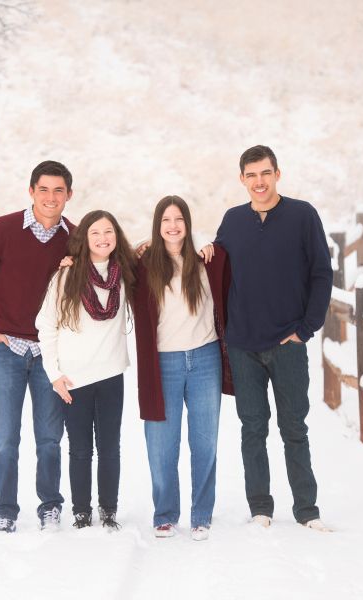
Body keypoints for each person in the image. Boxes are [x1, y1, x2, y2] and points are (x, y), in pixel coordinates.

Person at [213, 145, 334, 531]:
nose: (259, 182)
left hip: (288, 343)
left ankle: (307, 511)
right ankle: (261, 509)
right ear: (242, 179)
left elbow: (321, 273)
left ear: (277, 174)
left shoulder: (302, 215)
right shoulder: (232, 220)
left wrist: (305, 329)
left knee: (294, 429)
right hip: (243, 345)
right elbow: (216, 268)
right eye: (251, 175)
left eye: (265, 173)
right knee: (253, 429)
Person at [0, 160, 75, 533]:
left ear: (69, 195)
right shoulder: (2, 228)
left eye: (58, 190)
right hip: (7, 350)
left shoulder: (74, 238)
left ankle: (50, 505)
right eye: (43, 189)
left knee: (49, 438)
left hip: (50, 354)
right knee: (5, 439)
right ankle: (6, 510)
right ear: (31, 191)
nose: (51, 197)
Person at [131, 196, 234, 541]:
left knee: (205, 442)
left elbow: (233, 254)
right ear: (157, 226)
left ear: (188, 224)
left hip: (205, 359)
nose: (173, 226)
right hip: (163, 362)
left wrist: (208, 245)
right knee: (161, 444)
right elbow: (108, 261)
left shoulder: (206, 261)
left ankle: (202, 514)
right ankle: (165, 514)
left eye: (179, 219)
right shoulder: (144, 266)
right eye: (165, 220)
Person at [35, 210, 137, 531]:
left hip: (110, 374)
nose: (103, 238)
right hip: (74, 378)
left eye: (109, 231)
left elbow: (159, 252)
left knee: (110, 447)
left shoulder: (126, 274)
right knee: (79, 449)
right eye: (95, 233)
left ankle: (108, 509)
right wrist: (54, 374)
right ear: (84, 239)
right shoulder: (66, 276)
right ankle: (81, 512)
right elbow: (46, 326)